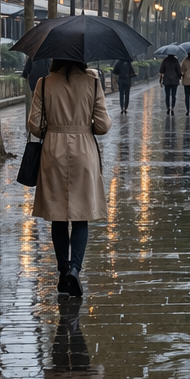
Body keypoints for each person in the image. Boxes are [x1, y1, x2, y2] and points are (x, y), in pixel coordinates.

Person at [28, 59, 112, 297]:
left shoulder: (44, 84)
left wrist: (53, 127)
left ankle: (63, 269)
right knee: (81, 214)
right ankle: (75, 269)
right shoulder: (92, 83)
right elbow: (104, 125)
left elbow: (34, 125)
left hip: (53, 150)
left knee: (58, 215)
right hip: (84, 150)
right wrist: (85, 126)